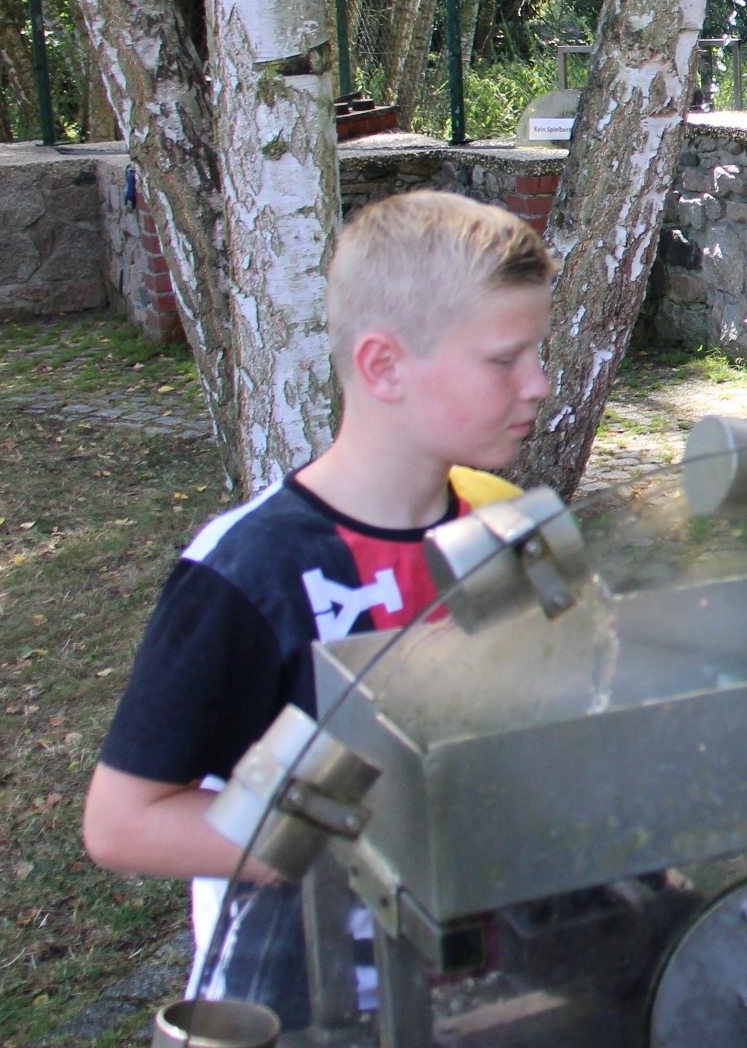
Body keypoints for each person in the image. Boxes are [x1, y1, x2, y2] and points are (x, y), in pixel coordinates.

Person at [81, 191, 556, 1022]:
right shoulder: (249, 568)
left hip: (478, 999)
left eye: (537, 354)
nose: (539, 385)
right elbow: (124, 824)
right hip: (304, 1005)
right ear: (383, 366)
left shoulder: (504, 532)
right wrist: (365, 837)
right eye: (504, 360)